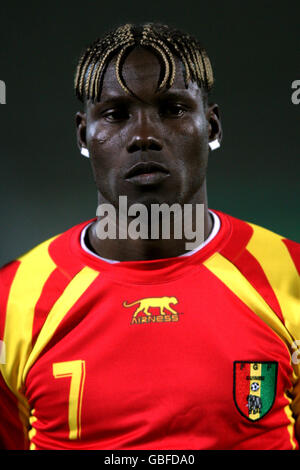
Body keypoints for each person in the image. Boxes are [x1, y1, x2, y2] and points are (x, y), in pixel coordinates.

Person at [0, 22, 299, 451]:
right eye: (116, 114)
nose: (143, 136)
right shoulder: (10, 301)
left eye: (173, 109)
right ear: (84, 134)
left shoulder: (292, 275)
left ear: (211, 126)